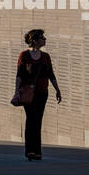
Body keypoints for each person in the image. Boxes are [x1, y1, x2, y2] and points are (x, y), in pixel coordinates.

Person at [16, 29, 61, 160]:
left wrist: (57, 90)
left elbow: (51, 74)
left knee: (38, 121)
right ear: (35, 40)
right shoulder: (24, 56)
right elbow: (19, 75)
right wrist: (16, 92)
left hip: (42, 93)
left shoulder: (46, 57)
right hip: (29, 94)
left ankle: (37, 151)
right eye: (42, 38)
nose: (45, 40)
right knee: (31, 119)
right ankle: (29, 151)